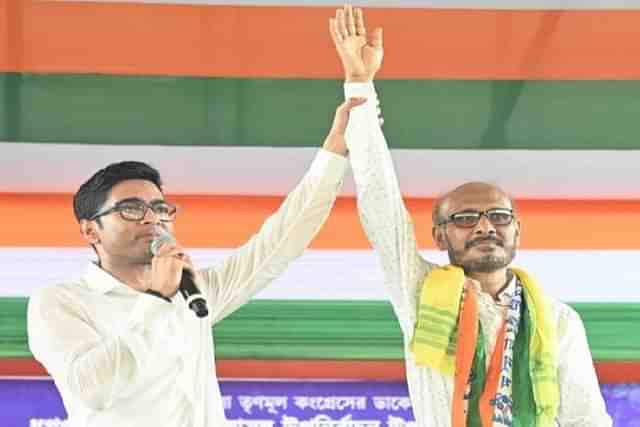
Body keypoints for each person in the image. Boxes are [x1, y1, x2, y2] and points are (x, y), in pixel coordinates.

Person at [329, 5, 612, 426]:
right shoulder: (420, 294)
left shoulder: (558, 321)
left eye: (498, 216)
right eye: (464, 219)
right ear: (440, 237)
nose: (484, 226)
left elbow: (586, 420)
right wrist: (360, 88)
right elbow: (381, 206)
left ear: (517, 230)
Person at [26, 99, 364, 427]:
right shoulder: (59, 301)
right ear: (90, 230)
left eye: (160, 209)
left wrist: (333, 153)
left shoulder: (192, 291)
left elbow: (278, 243)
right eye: (131, 209)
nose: (151, 220)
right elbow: (93, 390)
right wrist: (156, 299)